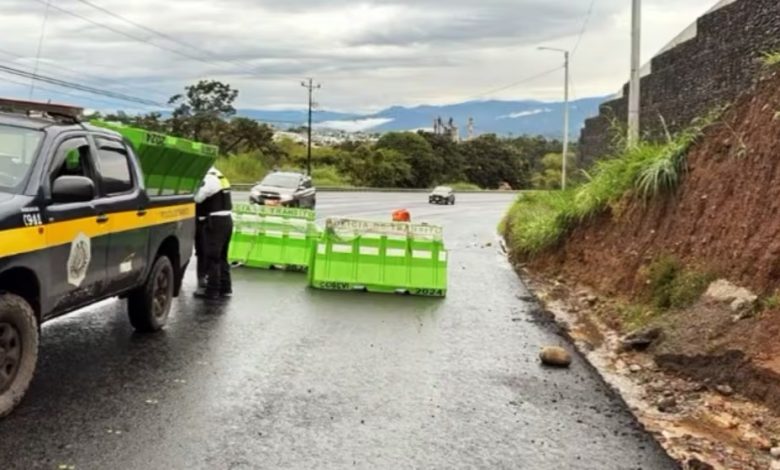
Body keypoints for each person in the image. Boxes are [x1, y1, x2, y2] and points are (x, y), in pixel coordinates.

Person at [193, 166, 233, 300]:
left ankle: (212, 290)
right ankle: (225, 288)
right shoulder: (220, 176)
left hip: (215, 222)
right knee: (222, 257)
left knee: (212, 257)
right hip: (227, 220)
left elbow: (197, 198)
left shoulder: (209, 179)